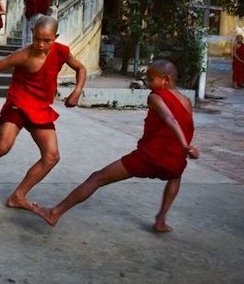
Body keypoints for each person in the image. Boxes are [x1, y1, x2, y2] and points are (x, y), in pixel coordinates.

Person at [32, 60, 199, 232]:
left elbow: (170, 119)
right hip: (174, 160)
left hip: (149, 157)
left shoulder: (155, 97)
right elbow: (186, 126)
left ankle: (55, 212)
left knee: (97, 178)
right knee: (175, 177)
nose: (148, 84)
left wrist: (185, 145)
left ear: (166, 79)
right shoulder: (186, 101)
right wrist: (184, 148)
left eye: (151, 80)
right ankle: (161, 220)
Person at [0, 15, 86, 211]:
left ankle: (18, 196)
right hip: (18, 104)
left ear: (56, 37)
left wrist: (77, 91)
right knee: (2, 146)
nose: (41, 44)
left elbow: (81, 68)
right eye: (37, 38)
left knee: (52, 157)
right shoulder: (24, 55)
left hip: (41, 108)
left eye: (47, 40)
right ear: (32, 34)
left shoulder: (62, 51)